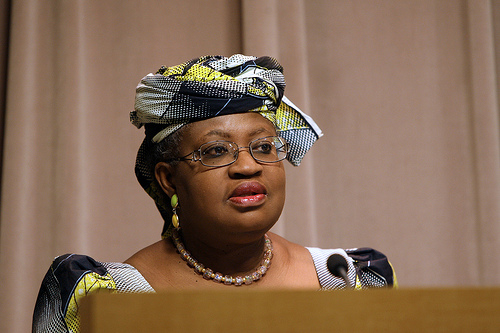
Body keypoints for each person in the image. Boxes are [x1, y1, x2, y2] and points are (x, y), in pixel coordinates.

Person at [32, 54, 396, 332]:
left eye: (264, 147)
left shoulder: (350, 280)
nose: (248, 166)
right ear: (168, 180)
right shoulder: (101, 299)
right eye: (216, 151)